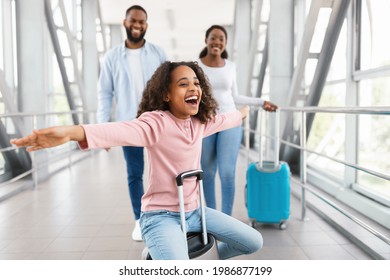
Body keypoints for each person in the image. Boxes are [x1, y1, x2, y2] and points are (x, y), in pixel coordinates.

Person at [10, 61, 263, 260]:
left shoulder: (198, 124)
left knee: (254, 242)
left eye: (196, 83)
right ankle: (158, 257)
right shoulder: (156, 123)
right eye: (183, 84)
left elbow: (226, 119)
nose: (193, 89)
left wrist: (243, 112)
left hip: (196, 213)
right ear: (166, 94)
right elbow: (118, 130)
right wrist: (69, 133)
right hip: (160, 216)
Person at [97, 5, 166, 241]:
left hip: (158, 121)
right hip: (130, 124)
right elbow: (105, 92)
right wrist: (102, 128)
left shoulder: (158, 53)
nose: (137, 25)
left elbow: (170, 87)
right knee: (135, 174)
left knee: (164, 172)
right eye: (133, 21)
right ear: (125, 23)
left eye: (142, 22)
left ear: (146, 25)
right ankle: (140, 220)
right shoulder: (112, 57)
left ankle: (166, 217)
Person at [197, 25, 278, 216]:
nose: (217, 41)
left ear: (225, 43)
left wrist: (261, 102)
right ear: (206, 40)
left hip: (230, 121)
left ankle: (226, 219)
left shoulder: (230, 66)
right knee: (207, 173)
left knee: (226, 172)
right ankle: (212, 218)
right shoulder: (195, 66)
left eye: (221, 39)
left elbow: (236, 97)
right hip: (205, 123)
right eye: (213, 37)